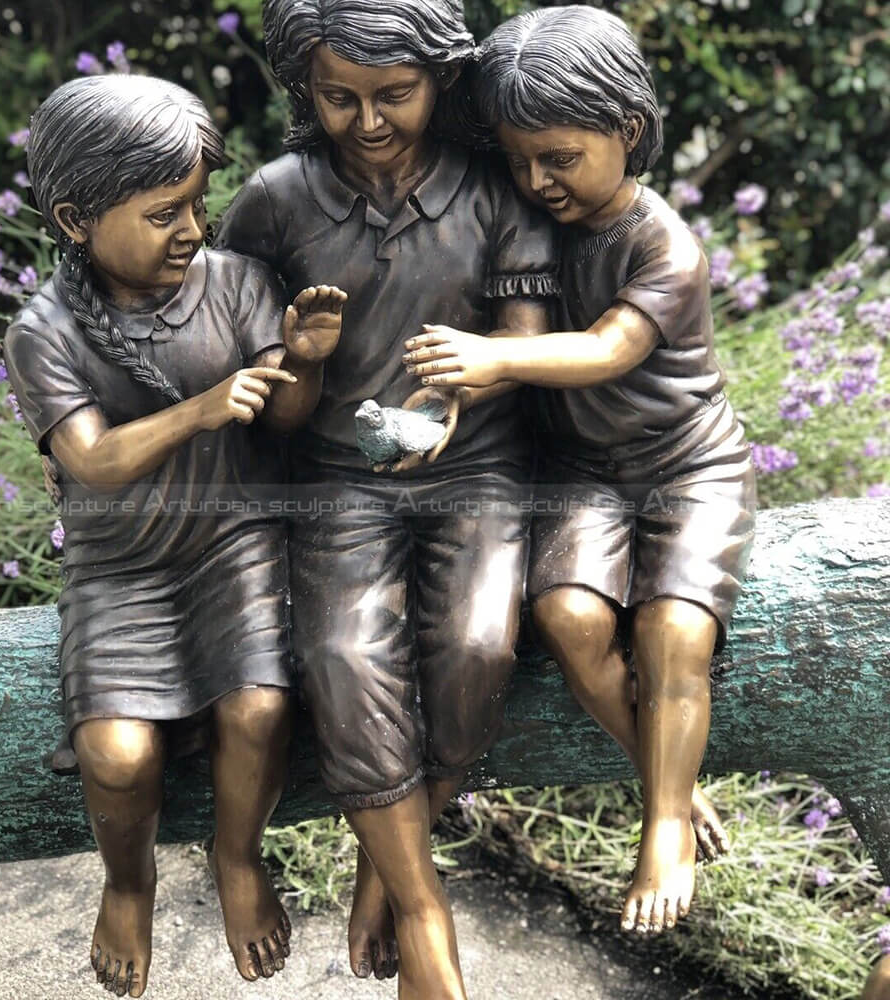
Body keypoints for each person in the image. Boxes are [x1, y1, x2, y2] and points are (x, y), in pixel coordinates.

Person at [215, 1, 557, 995]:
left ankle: (384, 862)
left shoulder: (494, 191)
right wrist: (296, 362)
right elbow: (250, 375)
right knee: (339, 651)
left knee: (483, 641)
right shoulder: (275, 201)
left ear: (439, 83)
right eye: (338, 98)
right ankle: (424, 914)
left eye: (393, 95)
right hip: (336, 479)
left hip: (476, 464)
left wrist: (460, 392)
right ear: (304, 92)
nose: (367, 121)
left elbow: (525, 341)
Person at [403, 5, 756, 938]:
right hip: (583, 470)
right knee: (565, 615)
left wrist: (493, 361)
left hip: (688, 461)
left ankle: (667, 821)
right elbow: (517, 326)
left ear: (628, 132)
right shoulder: (527, 218)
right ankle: (663, 775)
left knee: (675, 630)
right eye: (520, 160)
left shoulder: (663, 245)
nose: (537, 180)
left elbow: (606, 350)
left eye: (559, 156)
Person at [4, 74, 345, 997]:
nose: (193, 228)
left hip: (235, 541)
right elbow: (93, 460)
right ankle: (128, 881)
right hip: (119, 570)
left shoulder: (234, 287)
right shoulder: (45, 330)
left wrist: (301, 364)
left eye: (198, 203)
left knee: (260, 709)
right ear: (77, 218)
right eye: (164, 212)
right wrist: (199, 409)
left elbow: (280, 420)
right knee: (116, 755)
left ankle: (237, 859)